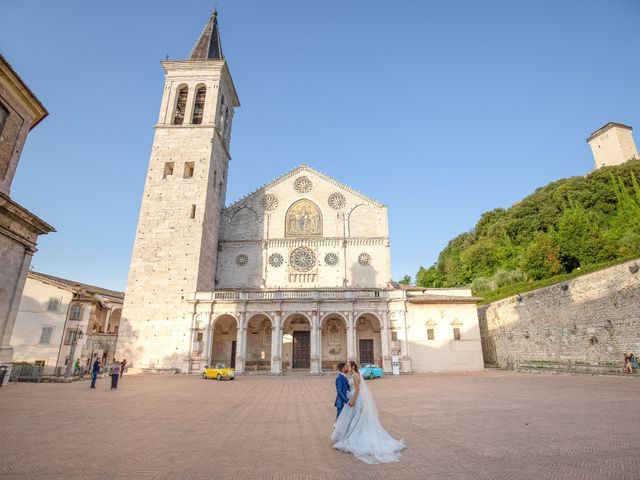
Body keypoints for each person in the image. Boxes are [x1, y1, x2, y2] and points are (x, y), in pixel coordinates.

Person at [331, 360, 405, 464]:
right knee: (352, 419)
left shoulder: (356, 375)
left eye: (349, 365)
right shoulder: (350, 376)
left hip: (355, 399)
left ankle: (348, 436)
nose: (347, 367)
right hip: (351, 400)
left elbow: (357, 390)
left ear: (352, 366)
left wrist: (352, 400)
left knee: (355, 419)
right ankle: (344, 434)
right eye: (346, 365)